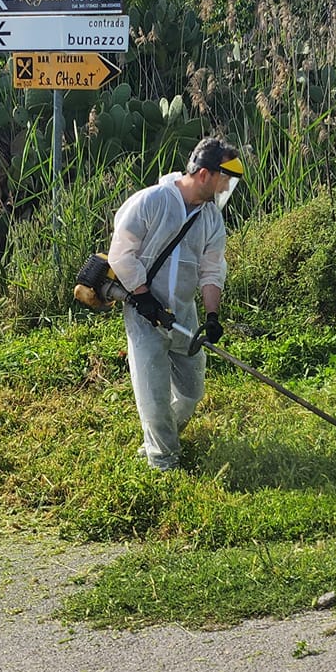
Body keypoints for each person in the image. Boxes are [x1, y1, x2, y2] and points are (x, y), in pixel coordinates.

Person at [107, 136, 242, 471]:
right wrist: (142, 296)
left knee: (191, 392)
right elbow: (121, 253)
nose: (227, 188)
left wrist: (212, 315)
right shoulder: (152, 201)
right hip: (144, 312)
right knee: (153, 394)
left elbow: (212, 269)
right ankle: (163, 462)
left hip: (183, 313)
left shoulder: (211, 219)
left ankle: (160, 438)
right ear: (204, 174)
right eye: (225, 179)